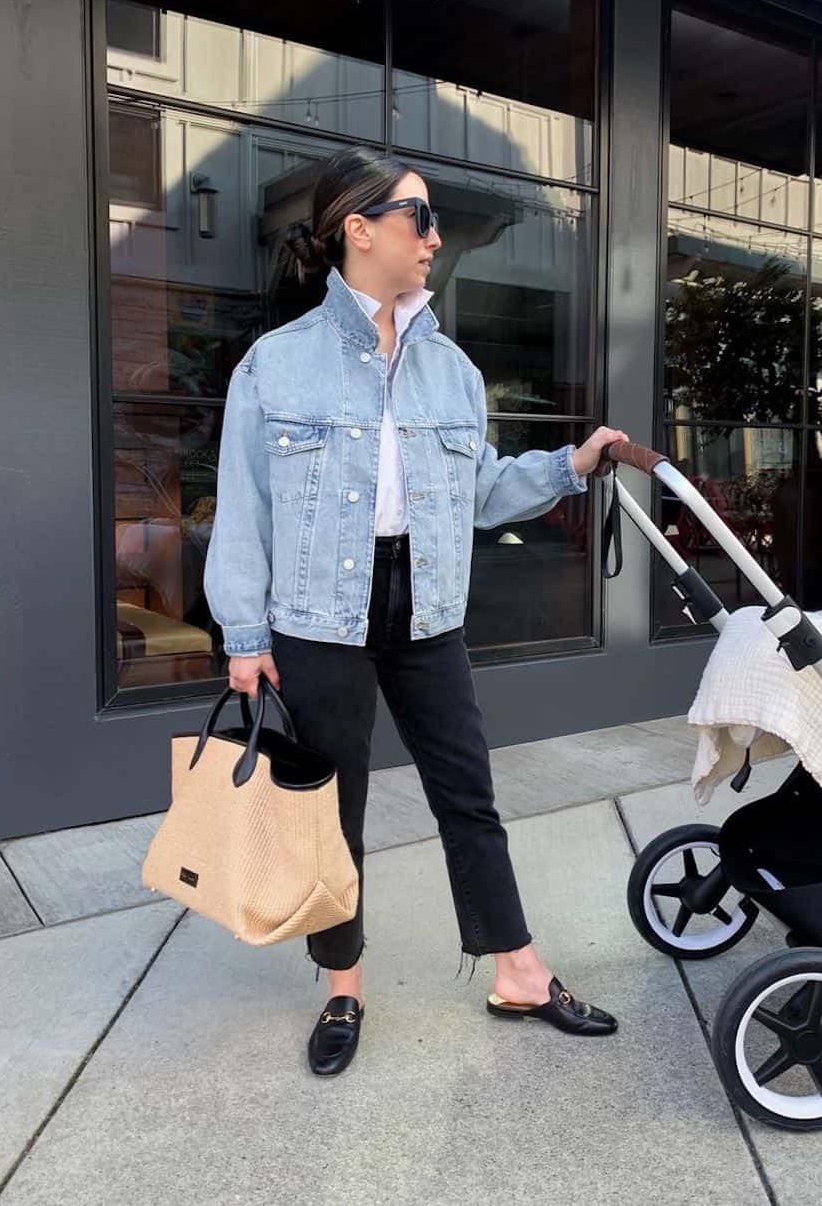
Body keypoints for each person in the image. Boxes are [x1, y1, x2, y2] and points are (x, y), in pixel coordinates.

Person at [204, 146, 628, 1077]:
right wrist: (244, 635)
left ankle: (517, 967)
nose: (435, 237)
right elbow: (244, 508)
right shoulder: (275, 366)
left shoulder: (454, 370)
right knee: (334, 811)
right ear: (360, 230)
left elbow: (477, 490)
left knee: (468, 794)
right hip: (319, 618)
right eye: (419, 219)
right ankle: (343, 986)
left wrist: (571, 465)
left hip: (427, 606)